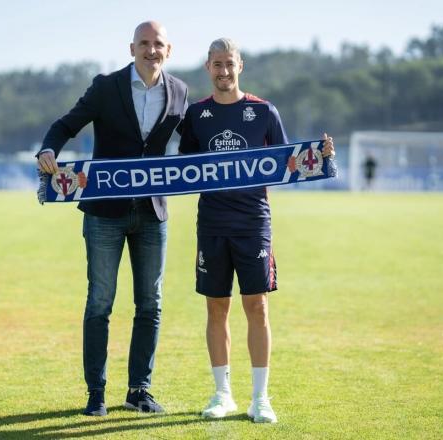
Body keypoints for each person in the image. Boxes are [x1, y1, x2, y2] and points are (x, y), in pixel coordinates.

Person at [178, 38, 335, 424]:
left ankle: (260, 398)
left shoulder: (264, 111)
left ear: (240, 66)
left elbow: (286, 163)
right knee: (216, 307)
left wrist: (319, 157)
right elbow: (182, 169)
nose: (224, 71)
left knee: (257, 307)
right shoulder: (196, 115)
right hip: (212, 225)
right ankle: (222, 394)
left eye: (229, 64)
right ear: (207, 67)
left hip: (253, 225)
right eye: (217, 64)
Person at [37, 21, 188, 416]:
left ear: (168, 51)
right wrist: (47, 150)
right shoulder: (106, 87)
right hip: (105, 213)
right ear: (131, 48)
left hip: (153, 213)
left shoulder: (180, 91)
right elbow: (64, 125)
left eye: (158, 45)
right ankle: (96, 394)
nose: (151, 50)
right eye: (144, 43)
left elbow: (196, 144)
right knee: (100, 303)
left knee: (150, 304)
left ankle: (139, 390)